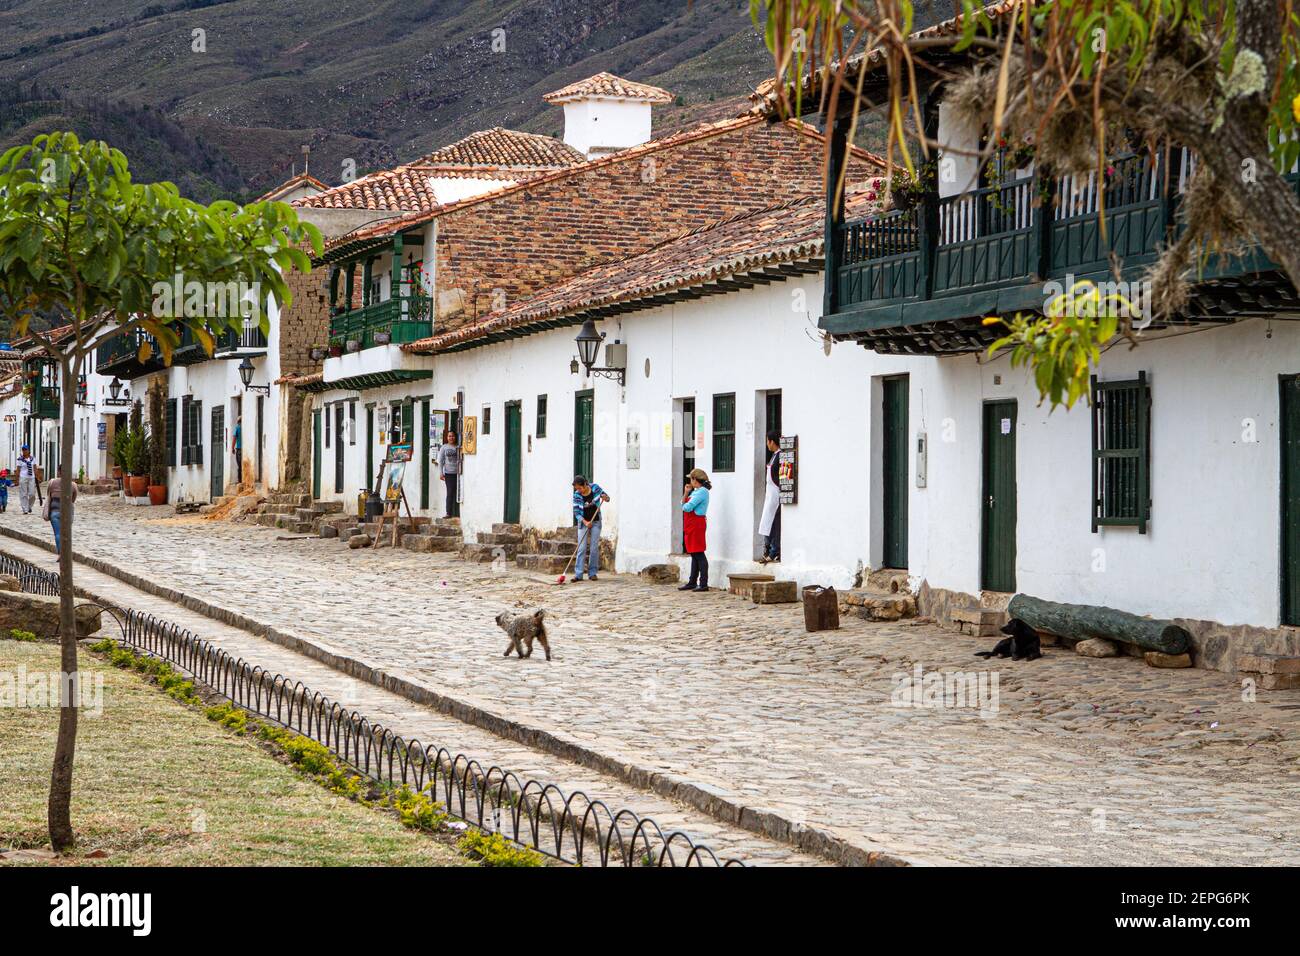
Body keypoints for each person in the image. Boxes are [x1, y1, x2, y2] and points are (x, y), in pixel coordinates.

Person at [571, 475, 610, 582]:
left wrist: (605, 497)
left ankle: (592, 573)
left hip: (596, 521)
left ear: (585, 484)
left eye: (580, 488)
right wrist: (585, 522)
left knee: (593, 548)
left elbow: (606, 497)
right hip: (583, 523)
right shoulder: (577, 495)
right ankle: (578, 574)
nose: (578, 490)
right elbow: (576, 512)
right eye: (577, 489)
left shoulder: (595, 488)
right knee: (581, 548)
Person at [679, 468, 712, 592]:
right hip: (691, 524)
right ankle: (692, 581)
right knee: (694, 553)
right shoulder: (696, 492)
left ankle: (703, 583)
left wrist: (684, 503)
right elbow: (683, 504)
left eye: (691, 479)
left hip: (696, 524)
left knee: (699, 553)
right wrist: (686, 493)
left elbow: (687, 507)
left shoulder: (701, 492)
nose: (690, 482)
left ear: (695, 479)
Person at [758, 431, 782, 564]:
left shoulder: (779, 456)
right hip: (770, 494)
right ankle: (768, 549)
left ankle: (774, 551)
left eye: (768, 441)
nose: (767, 444)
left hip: (775, 494)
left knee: (773, 522)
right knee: (767, 521)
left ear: (772, 442)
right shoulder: (774, 456)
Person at [44, 465, 76, 555]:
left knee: (58, 534)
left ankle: (61, 553)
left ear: (58, 472)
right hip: (67, 512)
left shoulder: (52, 482)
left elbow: (48, 494)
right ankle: (65, 553)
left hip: (54, 512)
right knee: (66, 534)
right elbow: (73, 499)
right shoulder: (73, 485)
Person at [437, 429, 462, 518]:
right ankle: (448, 513)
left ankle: (459, 513)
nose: (451, 438)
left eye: (453, 436)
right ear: (447, 437)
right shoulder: (444, 447)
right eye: (449, 436)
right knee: (450, 492)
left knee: (459, 492)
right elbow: (440, 461)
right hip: (449, 474)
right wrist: (441, 473)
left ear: (456, 437)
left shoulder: (459, 447)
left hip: (459, 473)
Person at [16, 445, 36, 515]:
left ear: (28, 451)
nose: (24, 451)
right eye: (23, 450)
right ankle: (25, 509)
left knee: (32, 494)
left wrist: (37, 477)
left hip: (31, 477)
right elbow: (18, 470)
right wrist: (17, 479)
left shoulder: (32, 459)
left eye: (26, 450)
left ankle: (29, 506)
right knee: (23, 494)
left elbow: (35, 468)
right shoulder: (19, 459)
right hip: (23, 477)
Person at [232, 415, 243, 484]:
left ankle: (240, 481)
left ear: (238, 422)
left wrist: (232, 448)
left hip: (239, 449)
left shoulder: (237, 428)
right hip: (244, 449)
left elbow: (234, 438)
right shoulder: (245, 428)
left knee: (239, 466)